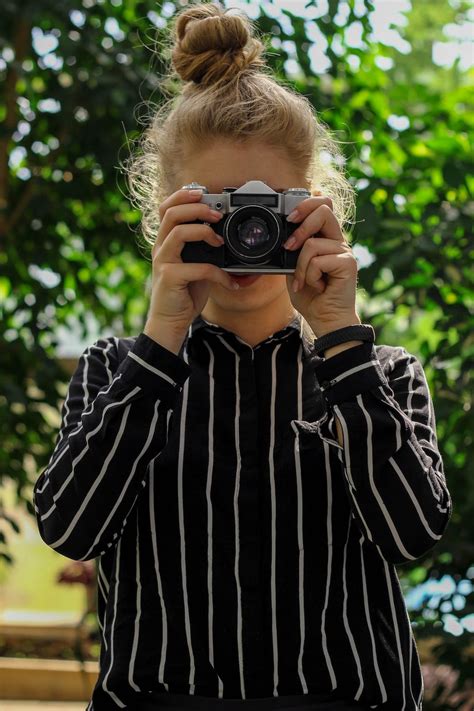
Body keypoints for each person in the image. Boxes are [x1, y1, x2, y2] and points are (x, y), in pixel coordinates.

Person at [32, 3, 453, 710]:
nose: (245, 231)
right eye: (215, 208)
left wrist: (340, 337)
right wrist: (162, 333)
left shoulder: (381, 373)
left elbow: (413, 536)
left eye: (264, 207)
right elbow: (72, 527)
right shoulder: (116, 370)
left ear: (314, 209)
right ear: (164, 213)